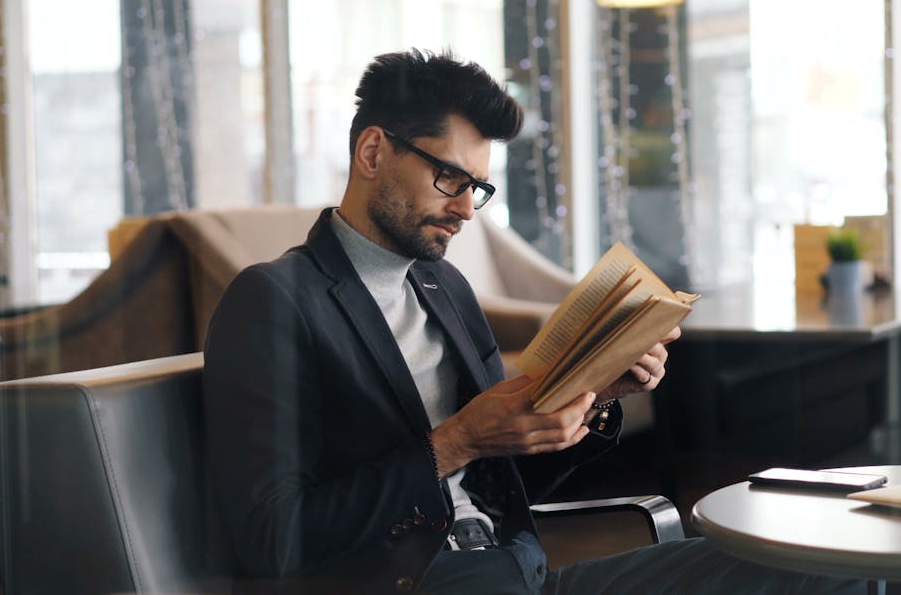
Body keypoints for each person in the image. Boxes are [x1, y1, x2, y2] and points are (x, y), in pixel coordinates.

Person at [203, 49, 860, 594]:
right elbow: (274, 539)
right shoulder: (275, 301)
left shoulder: (444, 287)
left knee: (818, 564)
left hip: (522, 573)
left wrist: (597, 396)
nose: (465, 208)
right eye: (449, 178)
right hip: (419, 585)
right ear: (373, 152)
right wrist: (455, 440)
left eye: (478, 188)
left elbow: (510, 477)